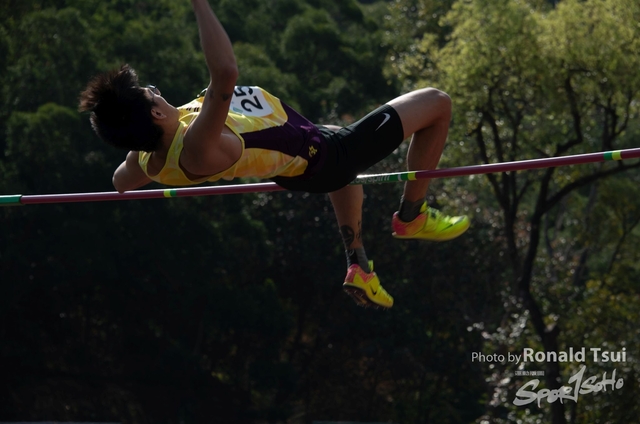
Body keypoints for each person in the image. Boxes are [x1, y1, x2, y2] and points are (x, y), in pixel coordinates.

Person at [78, 0, 469, 309]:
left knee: (333, 141)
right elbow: (225, 73)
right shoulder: (197, 146)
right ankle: (412, 216)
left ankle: (359, 265)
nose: (157, 91)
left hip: (301, 161)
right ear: (156, 114)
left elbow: (120, 182)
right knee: (437, 102)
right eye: (151, 92)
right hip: (327, 157)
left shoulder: (147, 158)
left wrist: (134, 138)